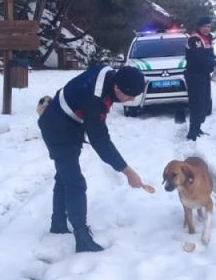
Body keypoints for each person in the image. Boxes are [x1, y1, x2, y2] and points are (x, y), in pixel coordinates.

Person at [38, 64, 146, 252]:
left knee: (64, 175)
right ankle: (82, 238)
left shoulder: (109, 76)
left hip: (70, 122)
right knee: (75, 182)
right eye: (130, 95)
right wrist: (127, 171)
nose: (132, 99)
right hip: (57, 128)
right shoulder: (95, 100)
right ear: (117, 88)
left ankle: (58, 223)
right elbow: (101, 141)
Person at [185, 16, 216, 141]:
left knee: (204, 103)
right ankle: (192, 132)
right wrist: (214, 62)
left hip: (204, 74)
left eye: (209, 26)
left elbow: (208, 54)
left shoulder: (207, 38)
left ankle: (198, 128)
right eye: (204, 26)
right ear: (199, 27)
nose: (207, 29)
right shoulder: (195, 39)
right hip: (194, 75)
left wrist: (215, 58)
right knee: (197, 103)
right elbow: (199, 58)